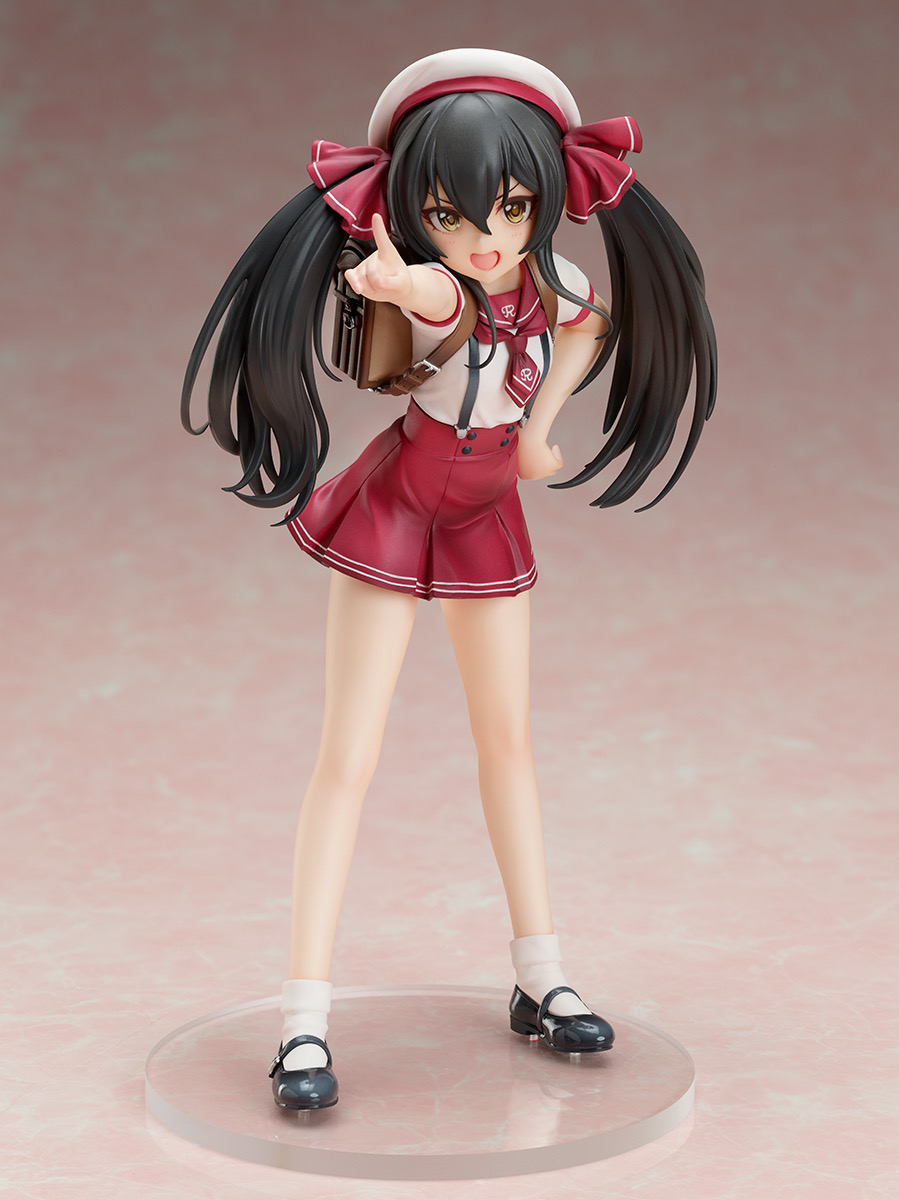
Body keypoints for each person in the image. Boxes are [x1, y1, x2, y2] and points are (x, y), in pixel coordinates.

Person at [182, 48, 716, 1110]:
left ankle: (540, 974)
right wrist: (392, 279)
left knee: (508, 742)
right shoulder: (441, 285)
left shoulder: (552, 283)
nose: (487, 238)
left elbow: (588, 325)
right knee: (348, 755)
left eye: (513, 209)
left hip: (484, 514)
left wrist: (543, 430)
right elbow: (430, 292)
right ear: (417, 213)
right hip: (396, 509)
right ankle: (301, 1022)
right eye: (451, 213)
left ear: (545, 199)